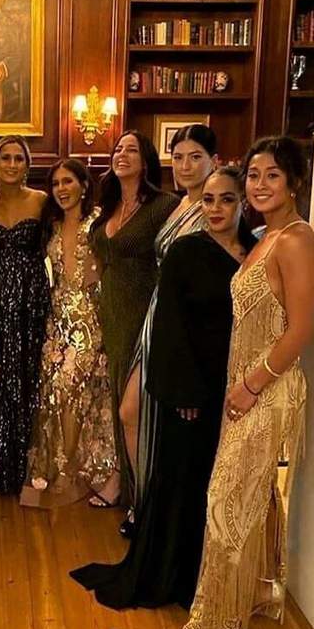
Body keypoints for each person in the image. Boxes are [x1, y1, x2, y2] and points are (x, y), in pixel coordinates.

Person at [71, 167, 255, 608]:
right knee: (185, 482)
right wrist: (183, 392)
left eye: (226, 199)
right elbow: (168, 327)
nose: (215, 209)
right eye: (208, 200)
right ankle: (179, 577)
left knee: (225, 482)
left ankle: (218, 578)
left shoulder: (255, 252)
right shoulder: (185, 251)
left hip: (237, 382)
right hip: (191, 391)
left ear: (243, 203)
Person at [170, 136, 314, 629]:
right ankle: (240, 602)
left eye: (272, 175)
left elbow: (301, 329)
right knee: (239, 502)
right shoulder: (263, 236)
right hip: (244, 390)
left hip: (268, 392)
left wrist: (252, 383)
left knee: (225, 504)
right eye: (253, 175)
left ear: (294, 181)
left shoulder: (296, 240)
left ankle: (213, 624)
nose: (259, 184)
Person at [113, 125, 216, 536]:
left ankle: (159, 514)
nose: (186, 165)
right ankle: (146, 504)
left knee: (162, 422)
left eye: (196, 157)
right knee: (132, 412)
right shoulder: (179, 204)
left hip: (185, 324)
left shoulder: (211, 208)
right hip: (158, 316)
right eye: (180, 157)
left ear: (214, 162)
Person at [88, 131, 178, 513]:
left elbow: (176, 262)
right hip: (111, 316)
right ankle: (125, 484)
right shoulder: (108, 205)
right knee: (119, 406)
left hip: (145, 317)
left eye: (132, 150)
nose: (122, 154)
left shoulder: (163, 205)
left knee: (133, 411)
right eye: (118, 149)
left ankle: (144, 498)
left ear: (146, 160)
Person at [19, 159, 116, 508]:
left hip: (90, 318)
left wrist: (100, 276)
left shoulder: (100, 221)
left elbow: (115, 263)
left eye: (68, 182)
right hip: (57, 318)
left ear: (84, 185)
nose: (61, 189)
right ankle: (62, 465)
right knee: (54, 393)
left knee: (74, 389)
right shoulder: (53, 225)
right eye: (56, 183)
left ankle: (70, 470)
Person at [0, 135, 49, 494]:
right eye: (5, 158)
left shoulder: (41, 201)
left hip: (32, 299)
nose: (12, 164)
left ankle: (29, 465)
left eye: (18, 158)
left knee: (29, 376)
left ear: (27, 165)